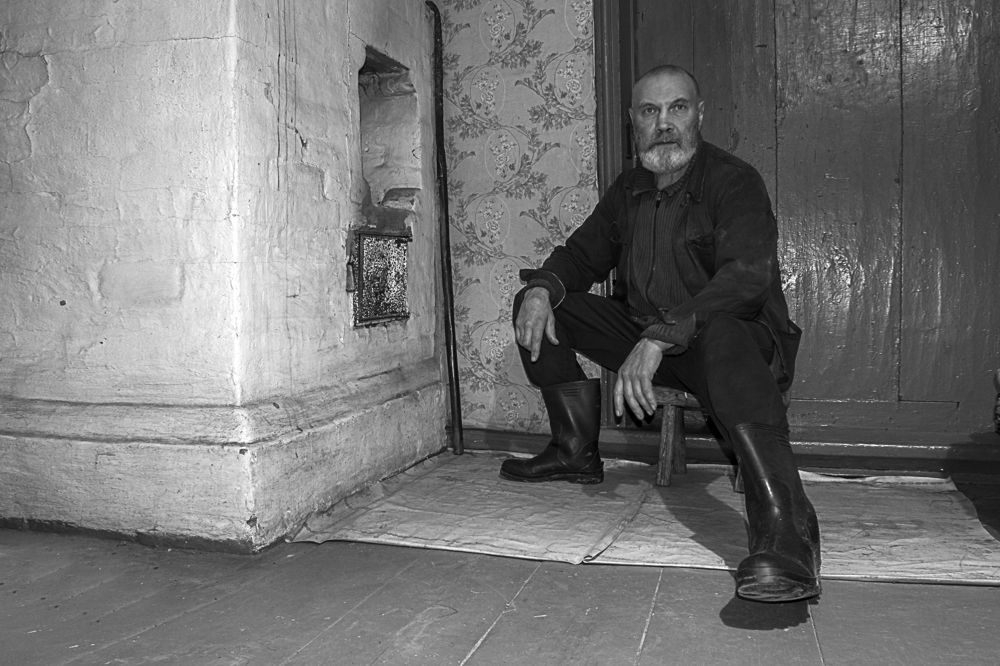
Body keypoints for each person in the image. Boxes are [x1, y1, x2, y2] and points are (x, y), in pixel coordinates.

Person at [500, 64, 820, 603]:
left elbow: (745, 279)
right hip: (646, 337)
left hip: (726, 347)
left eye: (678, 108)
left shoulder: (734, 180)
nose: (664, 123)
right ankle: (574, 449)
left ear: (699, 115)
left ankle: (788, 532)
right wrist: (541, 288)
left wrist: (659, 337)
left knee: (723, 331)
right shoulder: (629, 188)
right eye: (650, 111)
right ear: (634, 121)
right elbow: (580, 256)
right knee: (545, 304)